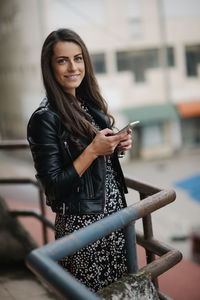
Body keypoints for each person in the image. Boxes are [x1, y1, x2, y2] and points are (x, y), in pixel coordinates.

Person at [27, 28, 132, 292]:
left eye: (78, 58)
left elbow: (95, 161)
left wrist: (116, 146)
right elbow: (53, 186)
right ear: (50, 67)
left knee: (116, 291)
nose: (73, 67)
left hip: (113, 218)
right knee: (88, 294)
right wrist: (93, 151)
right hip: (83, 228)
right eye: (62, 60)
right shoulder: (45, 118)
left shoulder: (88, 105)